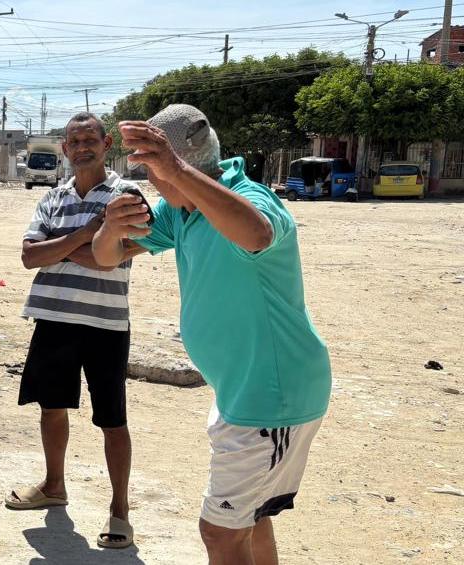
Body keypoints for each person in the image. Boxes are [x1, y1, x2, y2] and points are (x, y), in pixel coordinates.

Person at [92, 104, 331, 565]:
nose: (152, 184)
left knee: (220, 533)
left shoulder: (250, 198)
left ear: (181, 167)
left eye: (155, 172)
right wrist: (110, 227)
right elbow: (107, 257)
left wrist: (177, 171)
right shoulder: (180, 211)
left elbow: (258, 234)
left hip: (271, 397)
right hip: (241, 393)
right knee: (250, 519)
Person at [4, 112, 144, 549]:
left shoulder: (126, 195)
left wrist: (61, 249)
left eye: (90, 140)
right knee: (51, 407)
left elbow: (119, 256)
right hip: (54, 317)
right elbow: (29, 257)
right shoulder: (53, 196)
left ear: (106, 145)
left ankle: (120, 511)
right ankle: (54, 486)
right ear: (65, 148)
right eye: (74, 141)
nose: (82, 147)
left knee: (112, 419)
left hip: (105, 323)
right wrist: (87, 235)